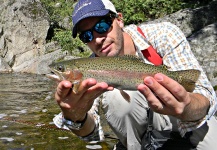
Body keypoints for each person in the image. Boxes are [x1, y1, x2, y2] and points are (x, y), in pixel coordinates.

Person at [53, 0, 217, 149]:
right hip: (138, 137)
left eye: (102, 26)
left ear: (119, 20)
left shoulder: (163, 34)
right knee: (115, 97)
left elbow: (206, 96)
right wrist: (75, 116)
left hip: (184, 121)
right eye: (86, 36)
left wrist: (186, 106)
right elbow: (93, 136)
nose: (97, 39)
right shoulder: (91, 68)